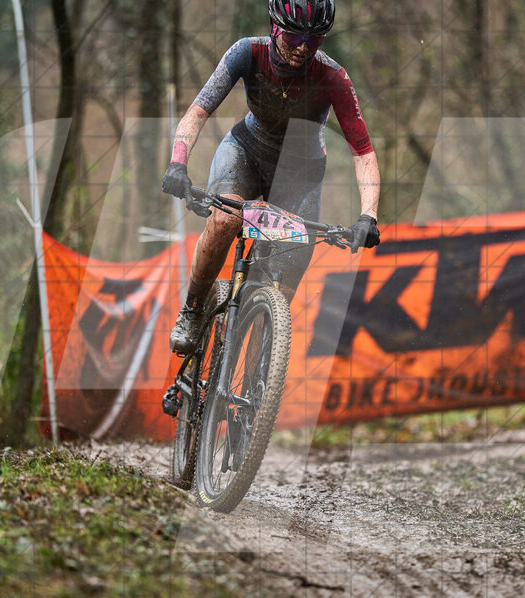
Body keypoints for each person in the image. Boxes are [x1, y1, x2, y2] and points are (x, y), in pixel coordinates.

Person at [161, 0, 381, 355]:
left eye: (315, 39)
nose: (302, 48)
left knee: (282, 291)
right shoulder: (247, 52)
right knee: (224, 219)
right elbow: (197, 112)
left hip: (302, 174)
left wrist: (368, 215)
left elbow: (364, 152)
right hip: (247, 153)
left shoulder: (333, 77)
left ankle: (256, 386)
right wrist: (178, 163)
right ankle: (193, 309)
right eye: (294, 35)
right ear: (275, 25)